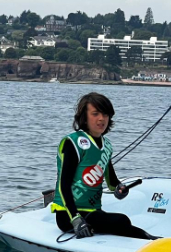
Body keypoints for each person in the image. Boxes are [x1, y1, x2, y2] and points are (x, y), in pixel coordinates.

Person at [50, 92, 153, 239]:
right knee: (121, 221)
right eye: (95, 114)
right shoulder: (73, 143)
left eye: (105, 115)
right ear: (84, 117)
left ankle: (153, 240)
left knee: (123, 223)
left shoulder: (107, 146)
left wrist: (120, 189)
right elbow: (63, 185)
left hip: (92, 213)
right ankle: (152, 241)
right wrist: (75, 219)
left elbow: (112, 182)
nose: (101, 119)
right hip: (68, 215)